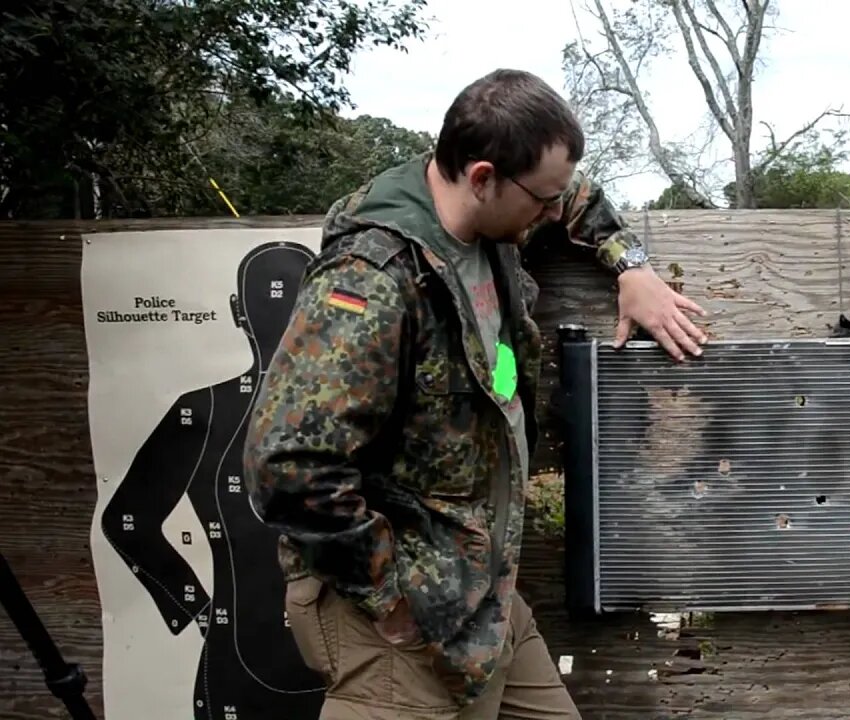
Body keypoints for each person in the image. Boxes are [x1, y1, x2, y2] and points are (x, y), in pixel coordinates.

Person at [242, 68, 708, 720]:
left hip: (483, 592)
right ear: (483, 177)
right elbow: (287, 465)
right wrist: (394, 602)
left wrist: (631, 267)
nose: (553, 211)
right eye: (542, 200)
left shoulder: (492, 224)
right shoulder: (373, 279)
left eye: (555, 198)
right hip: (399, 623)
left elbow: (572, 196)